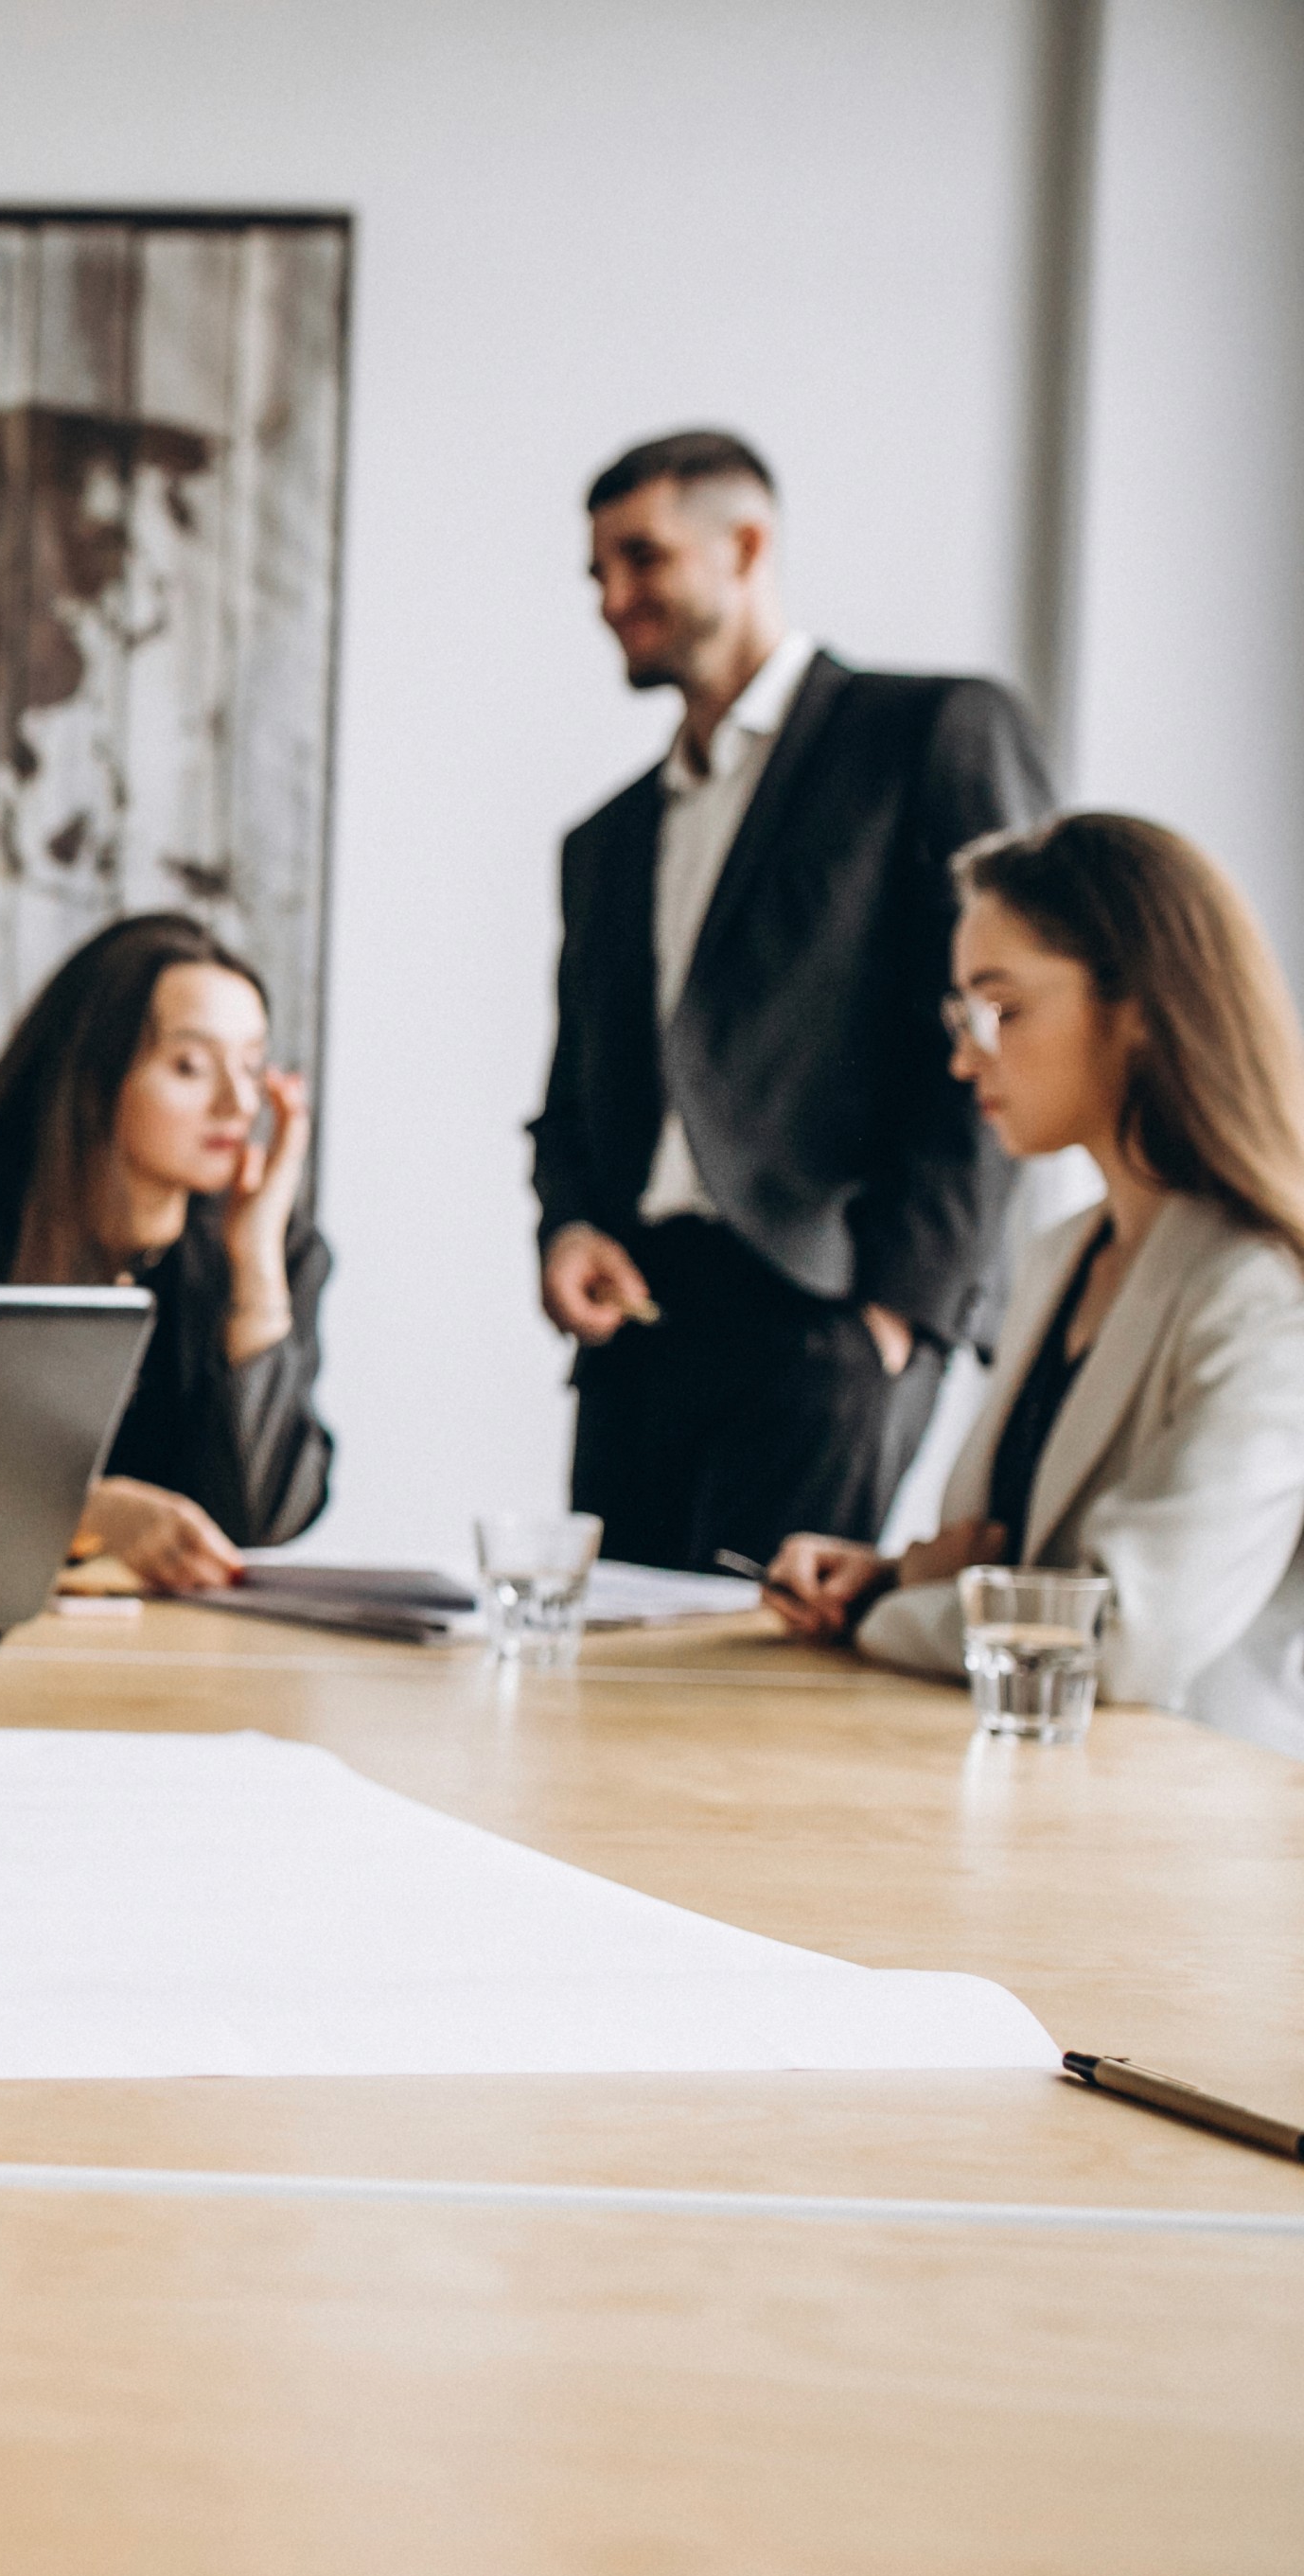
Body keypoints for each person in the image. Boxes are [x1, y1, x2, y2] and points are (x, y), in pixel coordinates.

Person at [531, 429, 1053, 1573]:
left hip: (827, 1315)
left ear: (746, 545)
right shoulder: (604, 842)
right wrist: (569, 1223)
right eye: (597, 574)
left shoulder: (929, 734)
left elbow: (1016, 1019)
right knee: (607, 1711)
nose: (612, 599)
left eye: (642, 558)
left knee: (761, 1714)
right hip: (636, 1334)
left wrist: (899, 1317)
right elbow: (571, 1089)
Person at [763, 815, 1304, 1756]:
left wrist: (893, 1612)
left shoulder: (1264, 1297)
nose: (966, 1057)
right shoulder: (1060, 1257)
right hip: (1026, 1793)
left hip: (1185, 1832)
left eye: (1002, 1009)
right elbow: (1017, 1568)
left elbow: (1120, 1640)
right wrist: (888, 1577)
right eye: (962, 1016)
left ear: (1139, 1009)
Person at [0, 911, 329, 1592]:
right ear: (96, 1072)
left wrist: (258, 1262)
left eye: (253, 1065)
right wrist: (86, 1512)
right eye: (190, 1066)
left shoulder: (265, 1248)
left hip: (186, 1663)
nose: (238, 1102)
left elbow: (266, 1518)